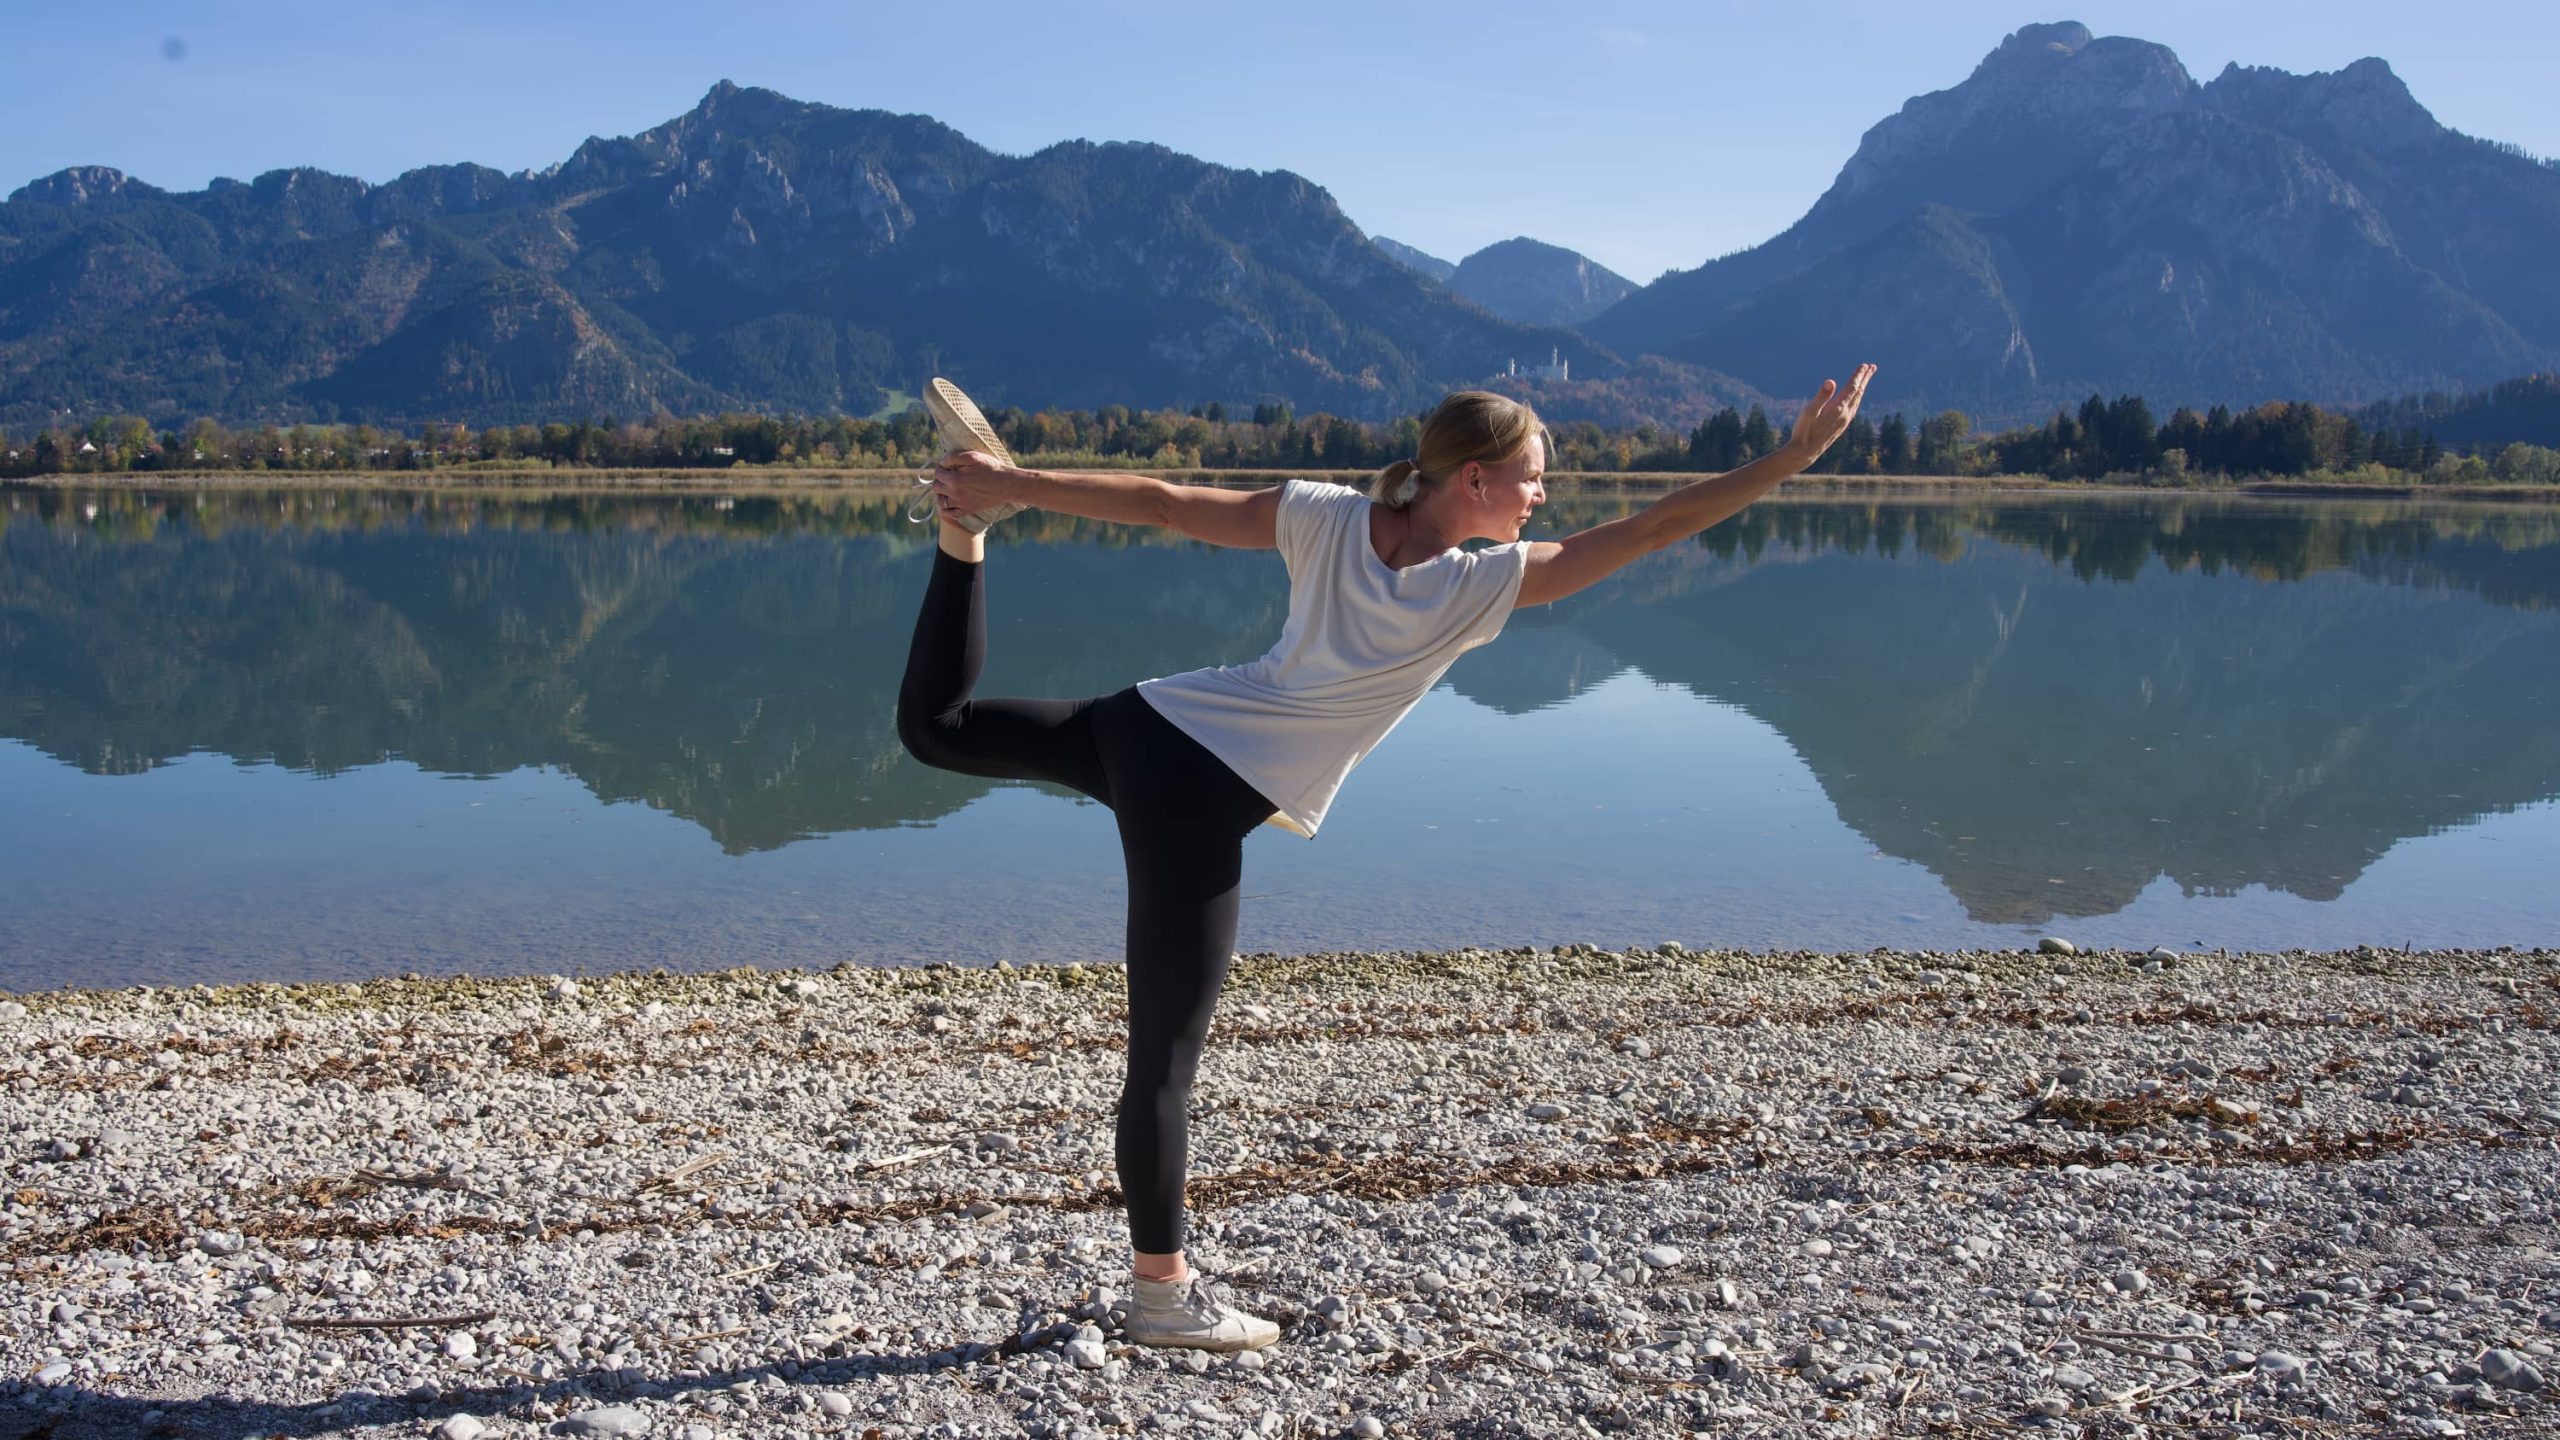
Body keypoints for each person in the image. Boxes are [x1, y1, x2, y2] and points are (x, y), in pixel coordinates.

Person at [898, 364, 1876, 1351]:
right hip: (1193, 793)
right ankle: (1163, 1301)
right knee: (1163, 1062)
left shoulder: (1328, 517)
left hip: (1148, 726)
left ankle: (963, 530)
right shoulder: (1481, 583)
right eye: (1532, 479)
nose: (1544, 498)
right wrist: (1790, 460)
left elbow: (1162, 504)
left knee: (936, 730)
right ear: (1477, 482)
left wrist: (1009, 490)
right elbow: (1652, 530)